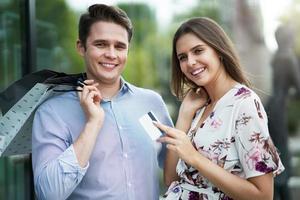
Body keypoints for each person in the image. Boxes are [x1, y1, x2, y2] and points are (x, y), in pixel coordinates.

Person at [31, 4, 173, 200]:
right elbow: (49, 194)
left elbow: (175, 172)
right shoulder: (52, 112)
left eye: (120, 46)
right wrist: (93, 123)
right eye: (101, 44)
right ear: (81, 47)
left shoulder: (151, 103)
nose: (112, 54)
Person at [154, 17, 285, 200]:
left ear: (219, 51)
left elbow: (263, 196)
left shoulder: (244, 103)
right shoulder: (198, 106)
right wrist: (184, 114)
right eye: (182, 57)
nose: (190, 62)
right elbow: (170, 178)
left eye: (198, 51)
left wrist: (195, 157)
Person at [266, 23, 300, 200]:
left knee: (275, 150)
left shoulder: (277, 56)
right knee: (282, 152)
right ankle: (282, 192)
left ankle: (278, 191)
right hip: (280, 109)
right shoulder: (288, 57)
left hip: (272, 106)